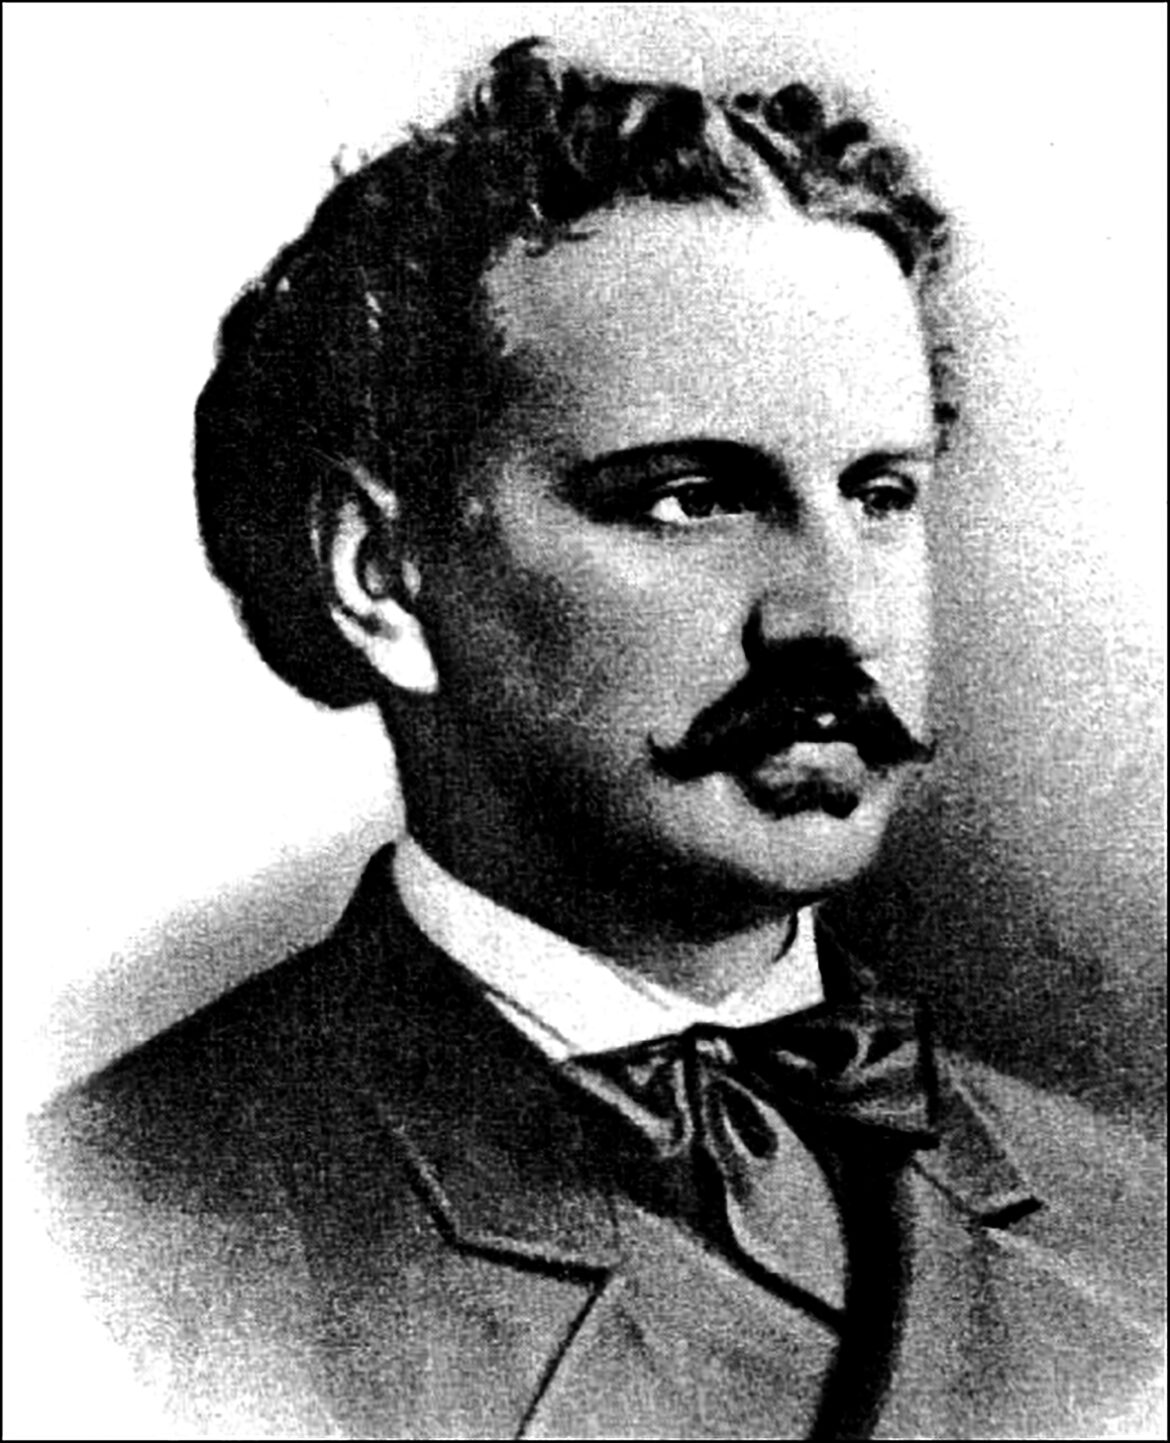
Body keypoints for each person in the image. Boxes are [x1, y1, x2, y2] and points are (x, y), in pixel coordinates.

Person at [38, 38, 1164, 1440]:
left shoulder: (1133, 1220)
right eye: (690, 498)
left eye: (879, 495)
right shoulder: (105, 1244)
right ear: (380, 578)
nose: (832, 620)